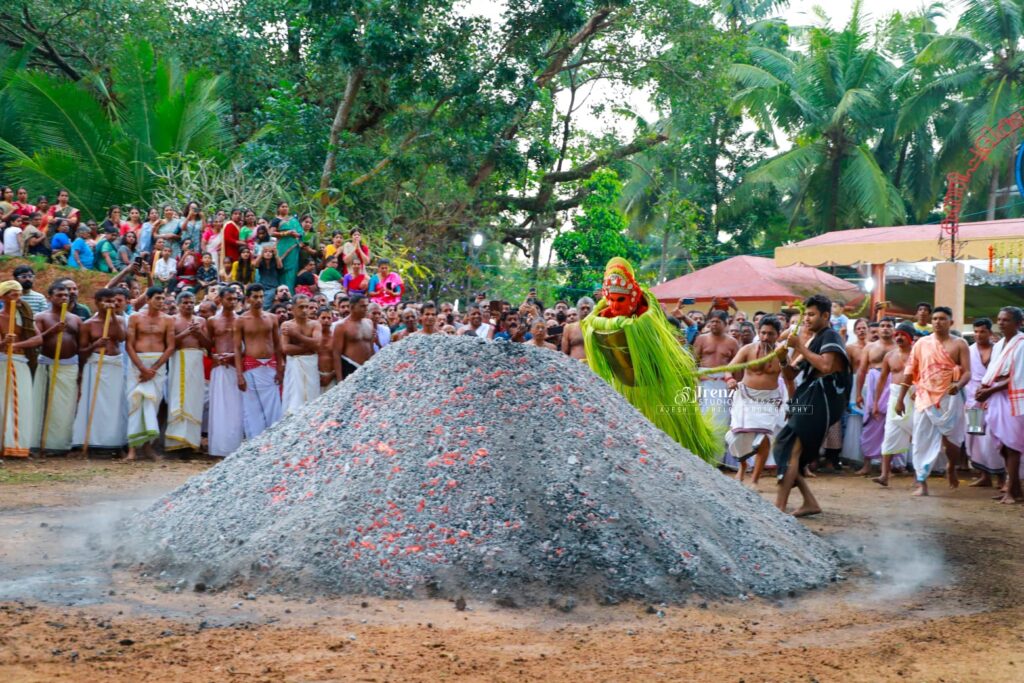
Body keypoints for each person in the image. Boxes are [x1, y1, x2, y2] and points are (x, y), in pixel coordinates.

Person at [580, 258, 719, 462]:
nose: (615, 306)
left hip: (657, 383)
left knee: (666, 431)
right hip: (626, 386)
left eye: (621, 300)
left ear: (634, 296)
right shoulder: (601, 318)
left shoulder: (648, 316)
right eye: (612, 300)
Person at [773, 294, 850, 516]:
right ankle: (809, 502)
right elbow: (790, 373)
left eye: (812, 314)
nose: (806, 319)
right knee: (785, 447)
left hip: (821, 399)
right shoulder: (811, 341)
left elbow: (826, 366)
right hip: (807, 397)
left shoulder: (831, 336)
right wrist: (782, 358)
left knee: (789, 447)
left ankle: (779, 508)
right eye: (805, 314)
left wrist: (799, 346)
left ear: (825, 316)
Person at [895, 306, 970, 496]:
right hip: (924, 396)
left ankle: (951, 466)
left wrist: (958, 385)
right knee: (920, 440)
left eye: (942, 319)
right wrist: (901, 398)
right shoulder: (921, 344)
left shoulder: (960, 344)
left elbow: (968, 372)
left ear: (951, 322)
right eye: (935, 319)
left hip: (950, 397)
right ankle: (922, 482)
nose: (938, 322)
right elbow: (910, 371)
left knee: (952, 441)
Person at [726, 316, 786, 485]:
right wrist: (730, 379)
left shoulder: (782, 352)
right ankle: (742, 467)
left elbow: (789, 375)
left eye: (771, 334)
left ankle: (755, 480)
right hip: (744, 397)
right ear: (758, 332)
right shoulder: (747, 349)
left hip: (768, 400)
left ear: (778, 334)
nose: (766, 337)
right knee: (737, 436)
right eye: (763, 333)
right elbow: (730, 368)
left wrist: (783, 359)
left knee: (764, 439)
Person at [976, 306, 1024, 503]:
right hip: (997, 396)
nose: (1001, 323)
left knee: (1012, 444)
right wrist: (985, 389)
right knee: (1003, 444)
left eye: (1006, 320)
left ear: (1019, 323)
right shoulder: (998, 345)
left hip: (1014, 397)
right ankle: (1014, 488)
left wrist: (990, 390)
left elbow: (1019, 376)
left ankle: (1011, 491)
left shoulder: (1022, 344)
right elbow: (993, 372)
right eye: (1000, 319)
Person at [72, 289, 128, 452]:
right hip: (96, 364)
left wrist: (112, 316)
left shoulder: (119, 320)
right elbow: (81, 352)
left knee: (115, 403)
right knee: (95, 404)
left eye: (113, 301)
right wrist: (95, 345)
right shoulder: (88, 324)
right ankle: (92, 440)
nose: (111, 304)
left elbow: (121, 337)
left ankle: (114, 441)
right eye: (106, 301)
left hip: (115, 365)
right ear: (97, 302)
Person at [30, 282, 82, 454]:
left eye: (66, 295)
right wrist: (52, 330)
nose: (63, 298)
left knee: (64, 407)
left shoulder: (75, 319)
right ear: (50, 297)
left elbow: (80, 346)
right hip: (48, 364)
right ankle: (39, 442)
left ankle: (59, 444)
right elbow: (36, 341)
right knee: (43, 404)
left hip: (69, 367)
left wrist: (81, 370)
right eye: (59, 295)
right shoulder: (41, 317)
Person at [125, 287, 175, 461]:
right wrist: (142, 368)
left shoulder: (168, 320)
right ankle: (132, 449)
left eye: (163, 298)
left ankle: (147, 448)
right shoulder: (135, 317)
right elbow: (129, 345)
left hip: (157, 366)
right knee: (135, 403)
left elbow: (170, 346)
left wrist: (153, 369)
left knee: (152, 405)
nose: (161, 302)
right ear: (148, 299)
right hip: (137, 364)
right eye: (157, 298)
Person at [234, 283, 283, 439]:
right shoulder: (241, 320)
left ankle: (273, 440)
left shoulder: (272, 318)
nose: (259, 300)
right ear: (248, 299)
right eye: (255, 297)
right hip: (251, 366)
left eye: (261, 296)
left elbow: (278, 344)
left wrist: (280, 367)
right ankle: (255, 440)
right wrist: (239, 375)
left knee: (274, 406)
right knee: (252, 407)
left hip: (271, 366)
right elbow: (236, 348)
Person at [0, 281, 42, 457]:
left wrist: (16, 343)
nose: (18, 298)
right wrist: (4, 343)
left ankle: (20, 444)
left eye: (19, 294)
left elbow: (38, 339)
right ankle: (7, 444)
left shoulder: (25, 316)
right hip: (4, 363)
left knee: (24, 403)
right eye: (13, 295)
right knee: (5, 403)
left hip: (21, 362)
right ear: (3, 297)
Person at [872, 322, 916, 487]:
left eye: (902, 335)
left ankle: (920, 477)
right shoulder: (889, 356)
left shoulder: (917, 354)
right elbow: (882, 380)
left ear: (910, 338)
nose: (898, 337)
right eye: (897, 334)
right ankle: (884, 475)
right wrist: (876, 403)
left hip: (915, 396)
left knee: (918, 434)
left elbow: (925, 374)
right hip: (895, 396)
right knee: (889, 433)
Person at [166, 290, 210, 452]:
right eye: (185, 302)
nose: (188, 305)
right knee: (179, 398)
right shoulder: (172, 320)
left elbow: (208, 344)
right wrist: (186, 333)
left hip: (196, 360)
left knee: (195, 399)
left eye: (191, 302)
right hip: (179, 359)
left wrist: (198, 333)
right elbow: (169, 343)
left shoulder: (201, 321)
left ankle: (192, 442)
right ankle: (176, 442)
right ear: (178, 305)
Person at [962, 318, 1003, 487]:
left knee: (995, 438)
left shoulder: (999, 351)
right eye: (976, 332)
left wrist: (990, 395)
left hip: (995, 399)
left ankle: (1002, 478)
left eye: (982, 331)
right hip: (973, 401)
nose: (978, 335)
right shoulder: (968, 351)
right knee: (975, 437)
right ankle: (984, 475)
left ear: (990, 333)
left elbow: (1002, 375)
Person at [854, 317, 897, 474]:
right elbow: (862, 371)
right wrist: (858, 394)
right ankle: (867, 464)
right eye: (882, 326)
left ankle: (887, 467)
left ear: (894, 329)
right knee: (871, 423)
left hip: (893, 385)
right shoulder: (870, 347)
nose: (885, 328)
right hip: (873, 385)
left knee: (892, 425)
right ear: (878, 329)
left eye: (889, 326)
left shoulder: (899, 347)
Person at [692, 310, 739, 448]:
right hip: (703, 381)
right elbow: (693, 362)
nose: (714, 324)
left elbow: (738, 366)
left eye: (717, 321)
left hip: (723, 382)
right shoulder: (701, 339)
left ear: (726, 323)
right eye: (712, 321)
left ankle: (718, 456)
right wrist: (698, 377)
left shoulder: (732, 342)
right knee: (703, 414)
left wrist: (735, 385)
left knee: (721, 416)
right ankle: (703, 451)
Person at [207, 287, 244, 457]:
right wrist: (213, 356)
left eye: (235, 299)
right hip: (220, 368)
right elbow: (208, 345)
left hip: (236, 366)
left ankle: (235, 447)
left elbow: (245, 346)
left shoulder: (241, 320)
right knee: (220, 407)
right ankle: (219, 447)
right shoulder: (212, 321)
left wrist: (233, 356)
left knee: (236, 407)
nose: (233, 302)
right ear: (220, 300)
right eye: (229, 299)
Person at [281, 295, 322, 416]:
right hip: (294, 366)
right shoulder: (286, 325)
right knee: (293, 401)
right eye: (301, 307)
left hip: (311, 366)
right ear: (293, 309)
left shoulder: (315, 324)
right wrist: (309, 346)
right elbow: (286, 348)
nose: (304, 310)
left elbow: (318, 344)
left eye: (306, 307)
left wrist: (297, 335)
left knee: (312, 398)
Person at [332, 294, 375, 381]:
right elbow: (336, 354)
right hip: (350, 366)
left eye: (367, 306)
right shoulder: (341, 326)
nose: (366, 309)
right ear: (352, 307)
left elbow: (371, 347)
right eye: (362, 306)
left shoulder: (369, 323)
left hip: (368, 368)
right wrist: (340, 379)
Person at [269, 201, 302, 290]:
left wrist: (297, 234)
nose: (285, 208)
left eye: (286, 206)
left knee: (292, 270)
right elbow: (271, 233)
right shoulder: (276, 220)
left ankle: (290, 292)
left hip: (293, 248)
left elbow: (301, 233)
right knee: (281, 268)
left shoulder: (294, 220)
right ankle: (280, 291)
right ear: (278, 209)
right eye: (283, 206)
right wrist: (286, 233)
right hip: (281, 247)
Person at [316, 307, 337, 391]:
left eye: (329, 318)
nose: (326, 320)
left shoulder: (336, 337)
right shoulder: (312, 336)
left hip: (332, 376)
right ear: (317, 319)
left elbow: (340, 360)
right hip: (315, 377)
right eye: (323, 318)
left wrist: (331, 375)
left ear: (332, 320)